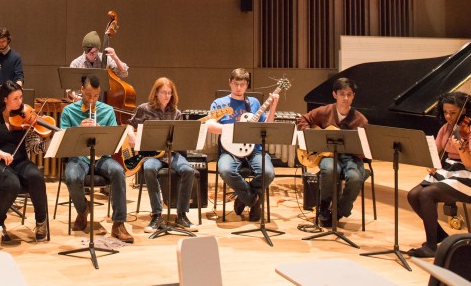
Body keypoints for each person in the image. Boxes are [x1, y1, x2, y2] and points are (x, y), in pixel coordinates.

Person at [405, 92, 471, 258]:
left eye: (453, 113)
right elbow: (435, 151)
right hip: (449, 170)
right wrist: (431, 164)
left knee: (427, 194)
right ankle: (439, 235)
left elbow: (469, 163)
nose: (448, 116)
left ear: (464, 110)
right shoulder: (445, 128)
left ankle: (431, 246)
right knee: (413, 195)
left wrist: (460, 147)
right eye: (445, 112)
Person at [59, 74, 134, 243]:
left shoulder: (107, 111)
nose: (92, 100)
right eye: (88, 95)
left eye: (95, 96)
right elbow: (63, 139)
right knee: (71, 176)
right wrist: (79, 129)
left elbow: (114, 141)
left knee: (118, 171)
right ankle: (83, 209)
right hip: (79, 157)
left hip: (101, 157)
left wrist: (101, 132)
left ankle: (118, 223)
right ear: (81, 91)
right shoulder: (68, 111)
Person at [0, 80, 50, 242]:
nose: (20, 102)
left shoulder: (25, 119)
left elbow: (34, 148)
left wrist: (50, 142)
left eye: (21, 97)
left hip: (21, 163)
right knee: (12, 183)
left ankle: (41, 222)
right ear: (5, 99)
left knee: (36, 176)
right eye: (16, 98)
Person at [204, 68, 279, 223]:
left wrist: (273, 107)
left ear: (247, 85)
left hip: (254, 150)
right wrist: (233, 129)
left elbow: (267, 126)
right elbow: (210, 125)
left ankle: (242, 197)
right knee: (225, 170)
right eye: (236, 84)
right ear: (230, 83)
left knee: (268, 173)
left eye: (242, 84)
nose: (238, 88)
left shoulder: (254, 103)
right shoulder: (220, 103)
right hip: (229, 150)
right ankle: (254, 201)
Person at [127, 77, 198, 232]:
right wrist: (131, 134)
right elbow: (128, 126)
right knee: (149, 169)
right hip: (151, 155)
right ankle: (157, 214)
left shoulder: (176, 113)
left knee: (188, 171)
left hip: (171, 154)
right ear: (156, 93)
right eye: (164, 92)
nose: (167, 96)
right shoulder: (144, 109)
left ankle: (181, 215)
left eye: (169, 93)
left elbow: (179, 139)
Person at [297, 77, 368, 226]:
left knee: (355, 178)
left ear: (353, 96)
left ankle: (340, 211)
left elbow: (365, 151)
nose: (345, 98)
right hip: (328, 154)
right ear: (335, 95)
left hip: (351, 157)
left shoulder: (360, 120)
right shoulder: (325, 111)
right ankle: (323, 206)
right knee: (329, 169)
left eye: (349, 94)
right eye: (342, 94)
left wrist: (361, 151)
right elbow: (303, 119)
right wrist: (313, 135)